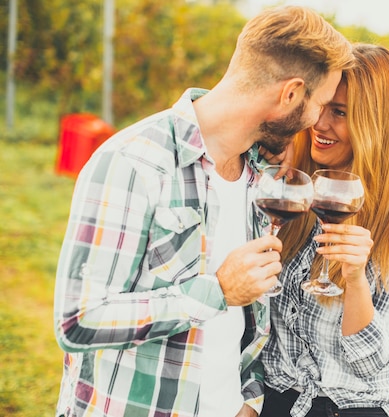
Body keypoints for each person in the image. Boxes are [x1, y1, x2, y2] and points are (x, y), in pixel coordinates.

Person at [53, 6, 353, 417]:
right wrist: (218, 291)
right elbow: (77, 320)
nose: (318, 120)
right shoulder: (134, 162)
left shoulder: (261, 178)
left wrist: (249, 399)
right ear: (290, 94)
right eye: (319, 103)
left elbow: (246, 322)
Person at [258, 44, 389, 417]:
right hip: (273, 403)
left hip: (351, 409)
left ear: (376, 123)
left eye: (340, 113)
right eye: (321, 105)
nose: (320, 124)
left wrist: (355, 279)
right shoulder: (289, 188)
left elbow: (370, 362)